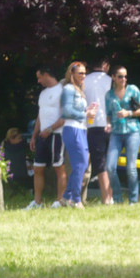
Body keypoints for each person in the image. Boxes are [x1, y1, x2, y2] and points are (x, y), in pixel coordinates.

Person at [105, 65, 140, 205]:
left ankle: (133, 201)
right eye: (120, 76)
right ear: (113, 78)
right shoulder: (109, 95)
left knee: (131, 168)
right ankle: (117, 199)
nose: (123, 79)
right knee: (110, 167)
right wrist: (108, 124)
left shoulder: (133, 90)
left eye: (125, 76)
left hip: (132, 131)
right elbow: (108, 115)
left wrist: (129, 113)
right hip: (116, 133)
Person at [28, 65, 66, 209]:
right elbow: (40, 115)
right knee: (38, 168)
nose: (38, 81)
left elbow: (65, 116)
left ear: (46, 74)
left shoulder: (61, 91)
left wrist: (50, 129)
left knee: (59, 168)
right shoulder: (43, 94)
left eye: (39, 77)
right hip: (42, 136)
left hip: (57, 135)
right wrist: (34, 135)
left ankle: (59, 201)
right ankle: (37, 202)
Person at [59, 61, 96, 209]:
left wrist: (89, 110)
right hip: (72, 130)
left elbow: (81, 113)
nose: (83, 76)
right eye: (80, 73)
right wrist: (85, 113)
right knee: (80, 163)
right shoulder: (68, 89)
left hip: (81, 129)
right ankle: (75, 199)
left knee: (81, 164)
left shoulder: (79, 90)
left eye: (85, 73)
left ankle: (66, 197)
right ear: (72, 73)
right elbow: (66, 112)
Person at [84, 58, 113, 204]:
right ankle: (110, 196)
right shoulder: (111, 80)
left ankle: (107, 198)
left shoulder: (84, 81)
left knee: (99, 162)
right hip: (112, 125)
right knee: (109, 162)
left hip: (92, 125)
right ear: (106, 65)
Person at [2, 127, 32, 196]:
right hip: (24, 177)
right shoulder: (22, 147)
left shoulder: (4, 148)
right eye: (19, 138)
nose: (21, 140)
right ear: (11, 139)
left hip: (8, 177)